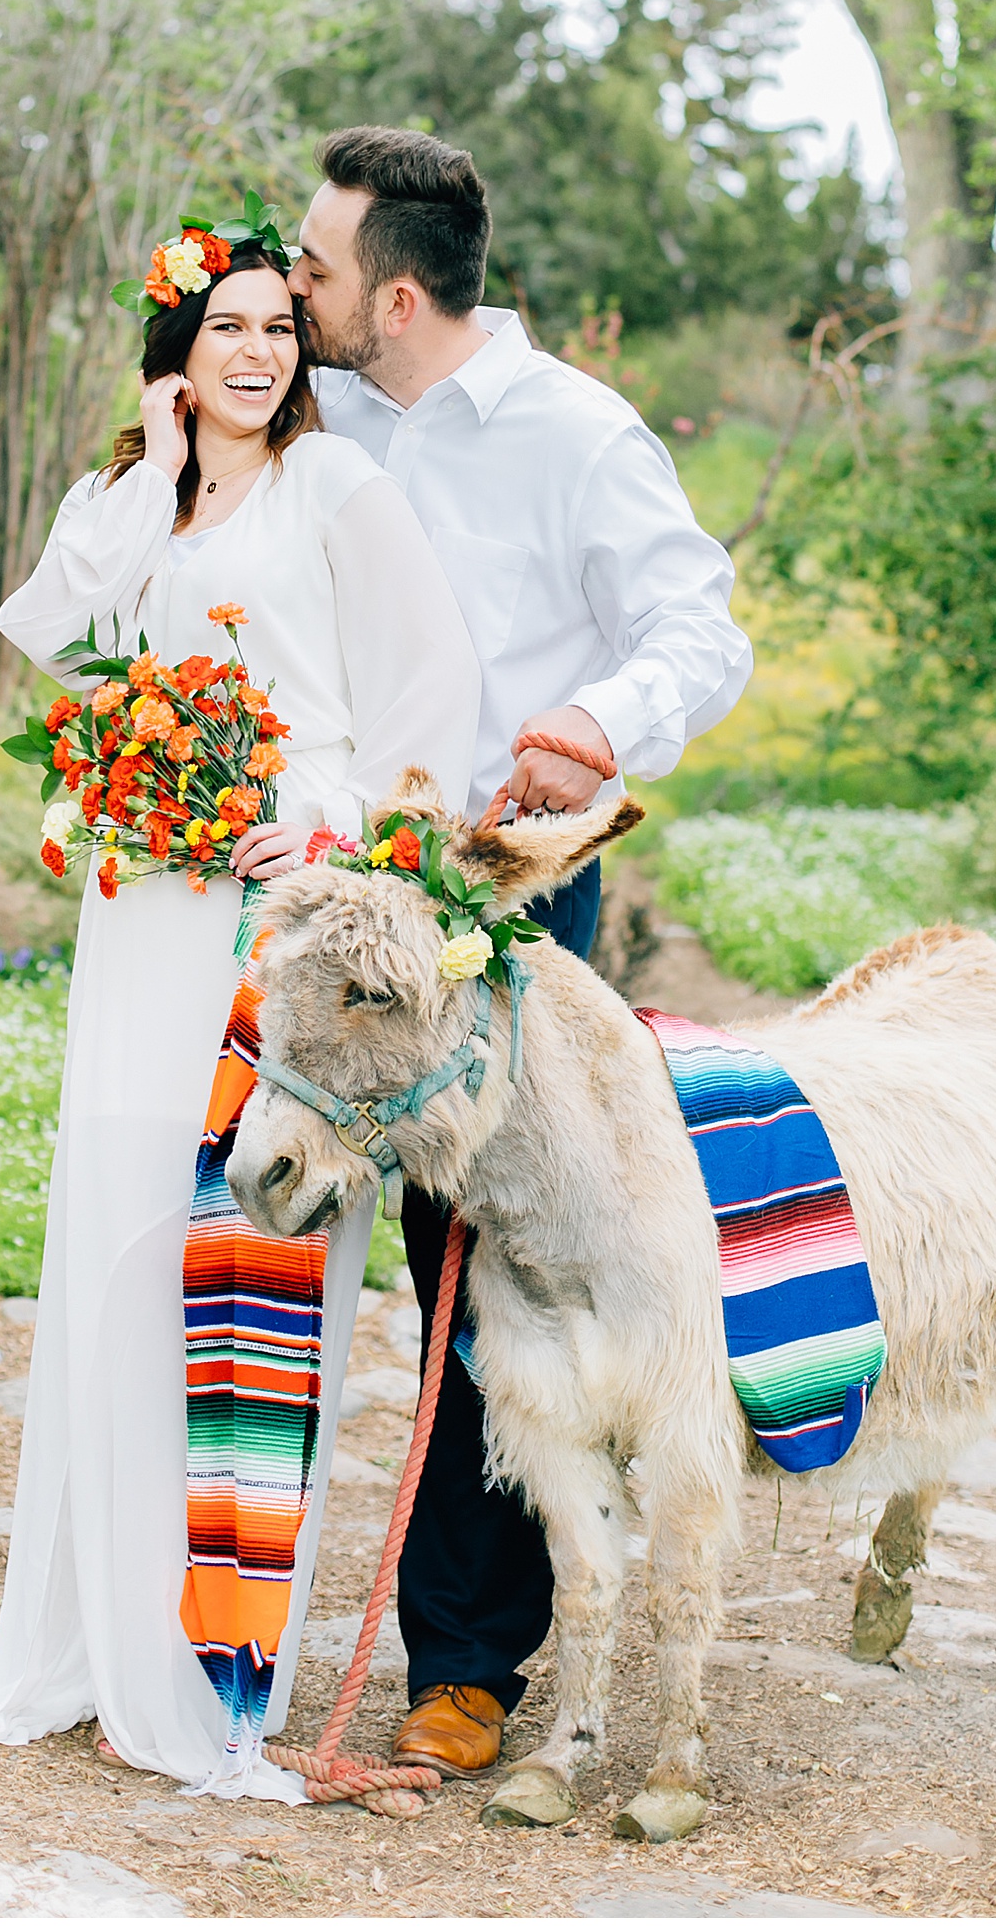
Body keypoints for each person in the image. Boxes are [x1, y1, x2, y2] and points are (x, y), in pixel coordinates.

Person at [0, 214, 479, 1801]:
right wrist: (151, 469)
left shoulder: (342, 487)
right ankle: (95, 1643)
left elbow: (429, 701)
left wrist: (331, 819)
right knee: (118, 1253)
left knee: (242, 1267)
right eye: (227, 327)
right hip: (140, 917)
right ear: (178, 350)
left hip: (272, 931)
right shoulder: (128, 500)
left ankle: (214, 1676)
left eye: (283, 326)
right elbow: (58, 638)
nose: (260, 351)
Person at [290, 123, 754, 1782]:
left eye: (317, 263)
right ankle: (208, 1605)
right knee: (254, 1218)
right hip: (304, 897)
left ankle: (468, 1659)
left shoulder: (577, 435)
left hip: (491, 915)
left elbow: (703, 630)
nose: (293, 283)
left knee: (466, 1277)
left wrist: (594, 719)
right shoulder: (316, 404)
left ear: (396, 295)